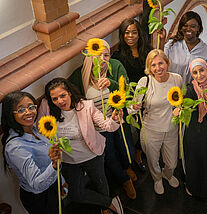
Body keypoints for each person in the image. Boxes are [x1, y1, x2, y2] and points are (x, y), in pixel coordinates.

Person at [39, 78, 122, 214]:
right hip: (68, 160)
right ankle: (109, 202)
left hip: (92, 154)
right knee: (76, 194)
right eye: (55, 99)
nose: (60, 101)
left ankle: (105, 208)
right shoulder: (47, 107)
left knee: (100, 182)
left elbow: (107, 126)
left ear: (70, 93)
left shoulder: (86, 106)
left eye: (63, 96)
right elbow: (40, 129)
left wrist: (115, 119)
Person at [69, 39, 137, 200]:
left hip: (117, 120)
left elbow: (124, 91)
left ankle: (126, 167)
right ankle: (124, 179)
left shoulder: (114, 68)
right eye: (97, 55)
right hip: (98, 128)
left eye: (106, 55)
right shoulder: (80, 75)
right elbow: (74, 100)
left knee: (124, 147)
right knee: (110, 154)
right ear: (89, 55)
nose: (102, 59)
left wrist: (110, 84)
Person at [130, 49, 182, 195]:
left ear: (167, 63)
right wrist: (133, 106)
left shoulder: (177, 79)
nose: (158, 68)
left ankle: (168, 174)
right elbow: (132, 107)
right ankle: (157, 178)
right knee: (153, 161)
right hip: (151, 129)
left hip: (171, 128)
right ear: (149, 67)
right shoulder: (145, 82)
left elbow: (180, 99)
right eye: (153, 65)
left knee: (172, 162)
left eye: (161, 63)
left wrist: (179, 108)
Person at [1, 91, 64, 214]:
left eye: (31, 107)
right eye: (20, 110)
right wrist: (54, 166)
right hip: (40, 198)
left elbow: (48, 162)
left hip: (52, 187)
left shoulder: (34, 130)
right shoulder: (15, 148)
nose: (28, 112)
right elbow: (37, 184)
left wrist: (61, 181)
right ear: (10, 114)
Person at [175, 58, 207, 198]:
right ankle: (193, 186)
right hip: (195, 132)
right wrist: (180, 109)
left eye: (201, 70)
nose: (199, 75)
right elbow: (184, 105)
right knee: (194, 161)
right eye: (195, 72)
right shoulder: (191, 89)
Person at [112, 18, 152, 172]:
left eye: (134, 32)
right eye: (126, 32)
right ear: (122, 35)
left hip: (148, 96)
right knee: (132, 127)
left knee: (146, 127)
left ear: (139, 34)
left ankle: (139, 151)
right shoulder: (118, 56)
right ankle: (131, 158)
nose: (130, 36)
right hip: (130, 99)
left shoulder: (147, 52)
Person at [164, 11, 207, 85]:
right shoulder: (171, 45)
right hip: (171, 90)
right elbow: (161, 64)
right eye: (185, 25)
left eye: (193, 26)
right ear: (181, 28)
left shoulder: (206, 50)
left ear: (198, 28)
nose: (188, 29)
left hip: (194, 92)